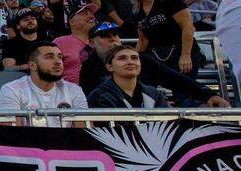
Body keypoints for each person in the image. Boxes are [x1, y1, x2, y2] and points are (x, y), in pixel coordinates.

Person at [80, 22, 229, 106]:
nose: (113, 39)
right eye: (106, 36)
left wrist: (208, 95)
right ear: (92, 42)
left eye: (115, 35)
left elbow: (174, 78)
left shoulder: (142, 60)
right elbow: (92, 101)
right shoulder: (89, 68)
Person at [124, 0, 200, 75]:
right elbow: (143, 41)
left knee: (182, 91)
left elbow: (187, 27)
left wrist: (185, 55)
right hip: (157, 58)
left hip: (181, 55)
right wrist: (132, 61)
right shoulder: (137, 10)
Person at [0, 41, 88, 112]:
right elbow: (10, 132)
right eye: (49, 57)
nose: (58, 62)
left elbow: (84, 130)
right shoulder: (12, 90)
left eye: (60, 57)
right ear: (32, 65)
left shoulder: (74, 90)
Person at [86, 45, 168, 109]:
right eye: (122, 58)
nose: (130, 62)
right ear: (109, 66)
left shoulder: (155, 94)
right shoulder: (99, 96)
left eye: (134, 58)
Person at [52, 3, 97, 84]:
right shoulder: (60, 42)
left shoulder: (100, 40)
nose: (92, 17)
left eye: (92, 14)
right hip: (68, 93)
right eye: (85, 14)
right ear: (72, 22)